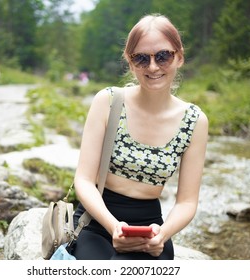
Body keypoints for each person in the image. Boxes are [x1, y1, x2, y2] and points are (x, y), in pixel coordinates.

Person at [72, 14, 209, 260]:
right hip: (97, 221)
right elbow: (83, 179)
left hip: (151, 229)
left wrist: (163, 234)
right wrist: (113, 226)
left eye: (163, 56)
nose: (153, 67)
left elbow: (187, 202)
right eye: (142, 58)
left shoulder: (195, 121)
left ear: (179, 57)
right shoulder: (109, 101)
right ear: (130, 61)